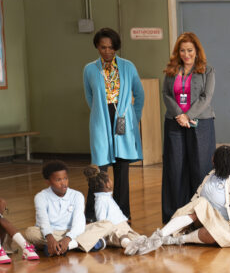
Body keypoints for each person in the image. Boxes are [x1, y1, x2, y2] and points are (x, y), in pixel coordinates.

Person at [142, 145, 230, 252]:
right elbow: (195, 200)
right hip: (202, 219)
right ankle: (159, 236)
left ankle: (178, 240)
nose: (212, 158)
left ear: (221, 162)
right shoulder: (210, 175)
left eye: (214, 156)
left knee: (213, 233)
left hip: (224, 226)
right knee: (200, 203)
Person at [83, 27, 145, 220]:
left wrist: (132, 117)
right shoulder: (89, 69)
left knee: (122, 171)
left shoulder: (128, 66)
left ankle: (122, 214)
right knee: (99, 170)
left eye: (111, 47)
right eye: (103, 47)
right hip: (101, 121)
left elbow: (139, 94)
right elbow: (89, 96)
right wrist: (99, 114)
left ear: (116, 47)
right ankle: (92, 215)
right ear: (97, 47)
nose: (107, 51)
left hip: (123, 121)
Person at [161, 32, 216, 223]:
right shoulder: (171, 71)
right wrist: (178, 115)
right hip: (174, 123)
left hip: (200, 123)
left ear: (197, 51)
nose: (186, 54)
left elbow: (206, 97)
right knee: (175, 168)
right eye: (182, 50)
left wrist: (188, 116)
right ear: (178, 52)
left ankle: (200, 215)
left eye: (190, 50)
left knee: (200, 167)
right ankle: (173, 215)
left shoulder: (207, 71)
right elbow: (166, 94)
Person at [22, 161, 108, 256]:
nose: (63, 183)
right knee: (30, 232)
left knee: (106, 224)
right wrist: (50, 238)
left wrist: (67, 239)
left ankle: (63, 247)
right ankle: (84, 243)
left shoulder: (77, 195)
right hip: (51, 233)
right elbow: (43, 222)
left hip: (71, 232)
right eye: (58, 180)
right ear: (48, 182)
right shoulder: (41, 197)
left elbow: (79, 223)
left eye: (65, 178)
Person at [82, 166, 143, 256]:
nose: (111, 181)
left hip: (122, 225)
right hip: (114, 229)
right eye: (110, 180)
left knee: (133, 235)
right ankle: (129, 245)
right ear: (108, 184)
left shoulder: (106, 197)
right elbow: (101, 221)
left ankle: (140, 243)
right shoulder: (100, 200)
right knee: (120, 237)